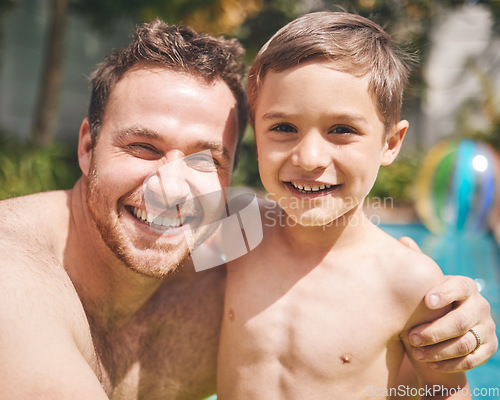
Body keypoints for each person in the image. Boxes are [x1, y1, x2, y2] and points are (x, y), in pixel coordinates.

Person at [0, 18, 496, 400]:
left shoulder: (400, 279)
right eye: (144, 147)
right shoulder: (15, 285)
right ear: (87, 147)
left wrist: (460, 325)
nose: (171, 190)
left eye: (206, 158)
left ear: (392, 142)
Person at [216, 12, 496, 398]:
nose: (310, 157)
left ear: (391, 143)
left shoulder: (407, 282)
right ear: (255, 132)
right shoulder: (238, 232)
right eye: (283, 128)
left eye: (342, 130)